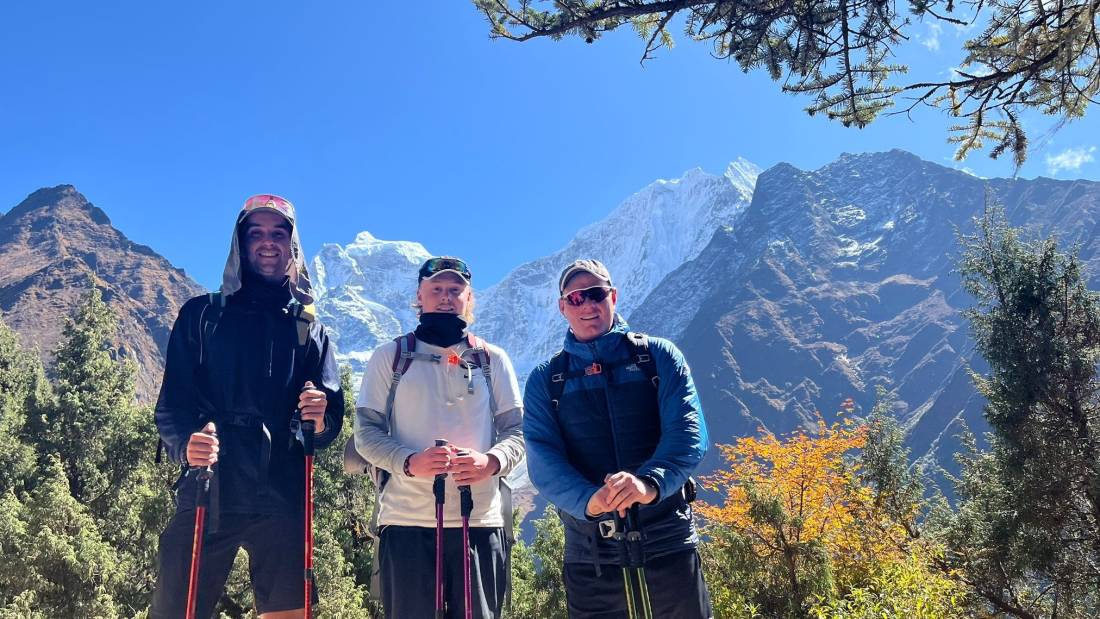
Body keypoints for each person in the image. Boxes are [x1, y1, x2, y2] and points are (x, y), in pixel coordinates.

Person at [151, 194, 344, 618]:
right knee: (177, 610)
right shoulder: (202, 315)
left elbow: (330, 420)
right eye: (255, 233)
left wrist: (319, 416)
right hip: (209, 482)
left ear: (293, 245)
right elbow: (171, 407)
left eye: (279, 233)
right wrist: (187, 445)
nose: (267, 242)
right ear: (240, 243)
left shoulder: (309, 330)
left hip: (282, 489)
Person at [523, 259, 712, 618]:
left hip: (668, 543)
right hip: (589, 556)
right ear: (562, 307)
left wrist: (648, 483)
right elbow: (543, 459)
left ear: (614, 296)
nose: (587, 305)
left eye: (596, 294)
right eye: (575, 298)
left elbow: (688, 432)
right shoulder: (546, 380)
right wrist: (590, 501)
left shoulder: (657, 357)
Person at [354, 256, 525, 619]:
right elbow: (365, 433)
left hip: (479, 522)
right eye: (436, 290)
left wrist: (490, 462)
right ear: (419, 295)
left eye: (455, 289)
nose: (446, 297)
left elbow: (518, 432)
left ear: (468, 297)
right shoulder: (391, 356)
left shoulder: (492, 359)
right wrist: (408, 461)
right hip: (405, 523)